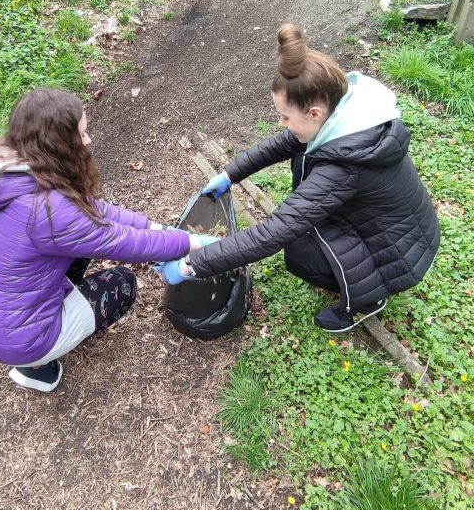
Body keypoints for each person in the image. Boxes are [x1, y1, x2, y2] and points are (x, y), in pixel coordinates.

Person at [158, 23, 440, 333]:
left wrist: (191, 265)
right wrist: (229, 174)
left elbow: (272, 234)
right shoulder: (346, 116)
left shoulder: (344, 166)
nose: (281, 123)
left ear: (315, 113)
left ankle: (368, 300)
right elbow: (284, 143)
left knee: (299, 256)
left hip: (399, 255)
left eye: (286, 117)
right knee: (302, 235)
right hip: (395, 228)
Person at [0, 88, 217, 392]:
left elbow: (94, 212)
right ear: (57, 145)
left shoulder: (14, 174)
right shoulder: (47, 212)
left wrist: (155, 227)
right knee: (122, 284)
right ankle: (36, 367)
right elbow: (123, 243)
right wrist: (190, 243)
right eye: (81, 134)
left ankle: (43, 336)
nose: (87, 140)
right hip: (20, 339)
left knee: (79, 251)